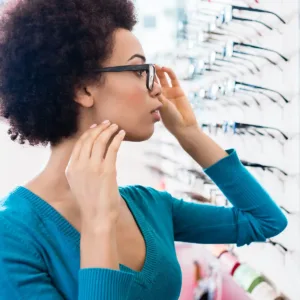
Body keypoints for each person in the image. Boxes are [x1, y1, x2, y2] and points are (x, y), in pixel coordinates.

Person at [0, 0, 287, 299]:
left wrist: (191, 136)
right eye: (139, 70)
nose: (158, 89)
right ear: (83, 89)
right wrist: (99, 226)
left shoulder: (147, 205)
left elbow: (265, 221)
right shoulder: (12, 235)